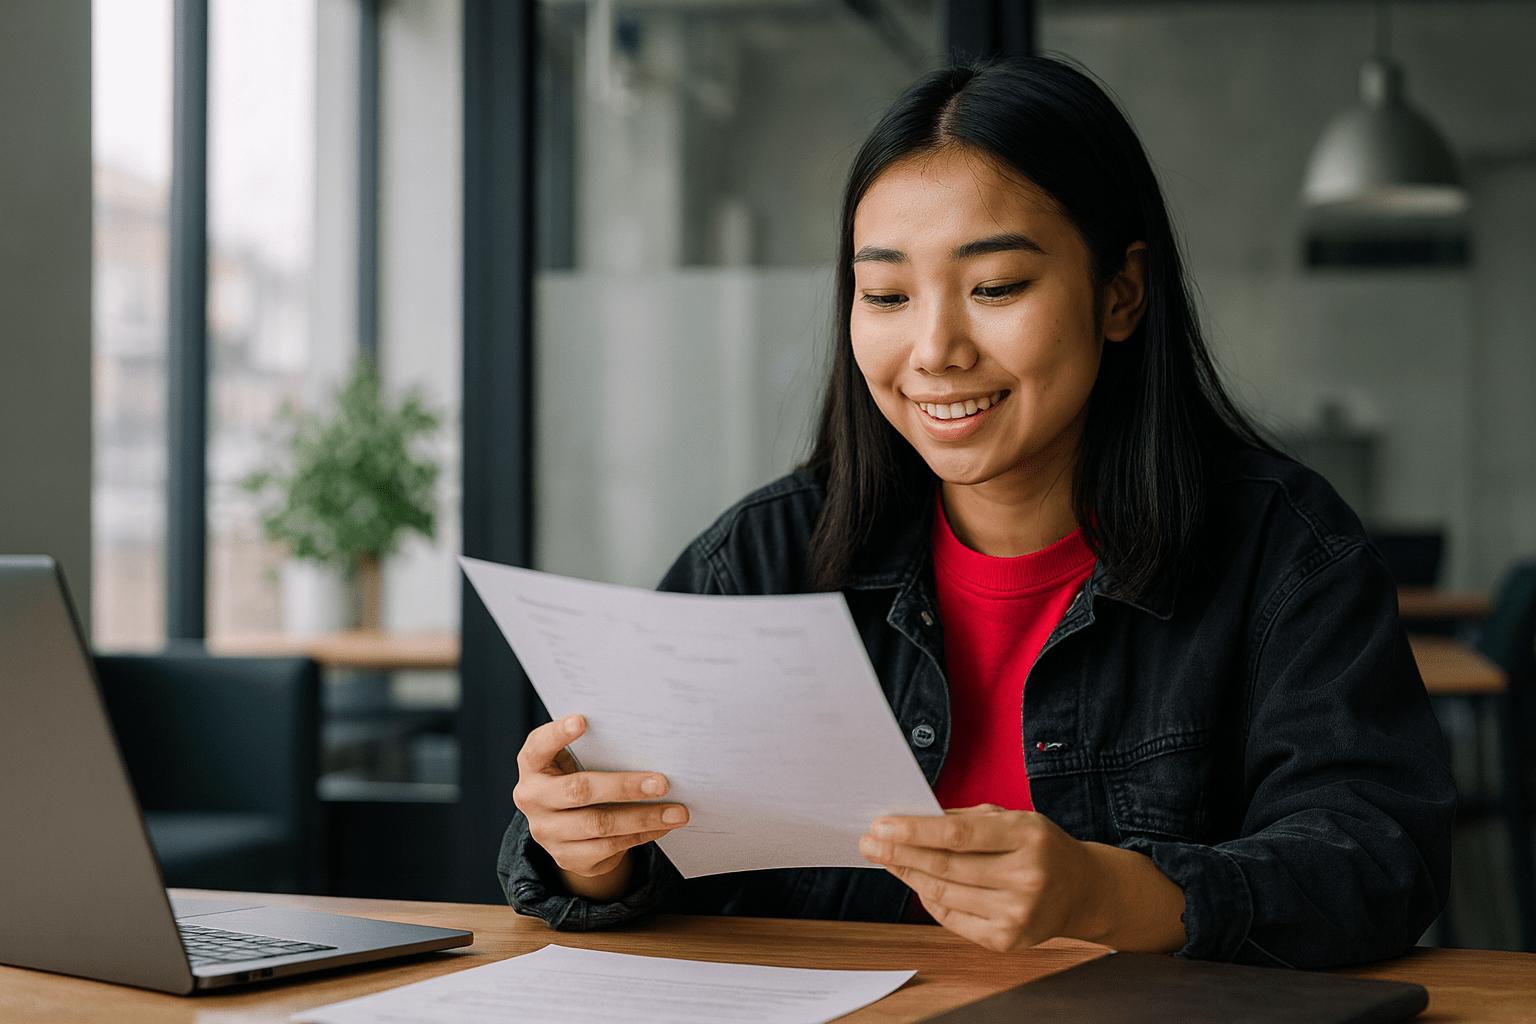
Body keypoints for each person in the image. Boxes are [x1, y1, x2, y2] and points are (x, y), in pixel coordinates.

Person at [499, 57, 1454, 969]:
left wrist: (1108, 895)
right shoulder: (764, 554)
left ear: (1121, 292)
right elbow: (621, 850)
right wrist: (591, 848)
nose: (935, 349)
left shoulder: (1279, 549)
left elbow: (1378, 860)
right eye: (886, 294)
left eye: (995, 287)